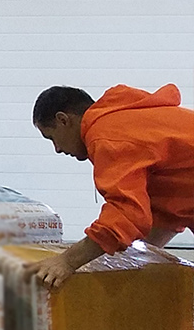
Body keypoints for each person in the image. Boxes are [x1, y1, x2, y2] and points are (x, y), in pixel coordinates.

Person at [25, 84, 194, 288]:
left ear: (63, 120)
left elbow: (126, 213)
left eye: (52, 137)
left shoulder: (108, 135)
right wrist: (131, 260)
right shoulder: (130, 120)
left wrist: (67, 262)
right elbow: (170, 211)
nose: (57, 149)